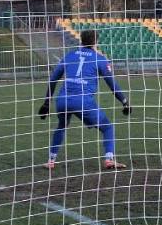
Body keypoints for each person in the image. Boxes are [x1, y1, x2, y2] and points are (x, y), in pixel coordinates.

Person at [38, 28, 131, 171]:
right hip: (83, 101)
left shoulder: (69, 56)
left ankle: (51, 160)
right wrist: (124, 101)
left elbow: (53, 79)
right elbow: (112, 84)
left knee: (61, 126)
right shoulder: (100, 59)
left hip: (62, 100)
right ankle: (109, 160)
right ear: (96, 41)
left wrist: (46, 102)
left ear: (81, 40)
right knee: (107, 127)